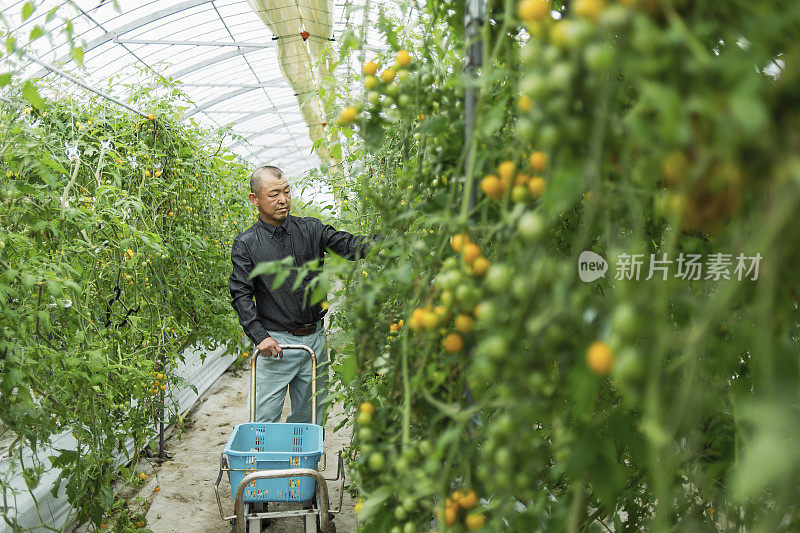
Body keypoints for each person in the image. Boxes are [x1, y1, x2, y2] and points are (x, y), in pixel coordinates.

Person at [229, 165, 376, 425]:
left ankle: (299, 465)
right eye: (274, 194)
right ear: (255, 199)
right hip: (275, 345)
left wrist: (391, 241)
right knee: (263, 420)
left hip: (314, 342)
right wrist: (259, 336)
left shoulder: (311, 230)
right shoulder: (247, 243)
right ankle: (264, 466)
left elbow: (350, 246)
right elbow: (241, 293)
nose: (283, 200)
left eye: (286, 191)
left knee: (310, 417)